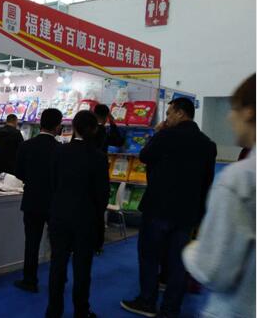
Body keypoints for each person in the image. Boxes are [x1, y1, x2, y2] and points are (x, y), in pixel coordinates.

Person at [121, 97, 217, 318]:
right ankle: (171, 308)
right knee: (178, 262)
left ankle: (147, 301)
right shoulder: (207, 144)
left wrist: (157, 133)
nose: (166, 118)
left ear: (181, 113)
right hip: (187, 213)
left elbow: (144, 156)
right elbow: (207, 182)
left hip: (158, 209)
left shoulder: (166, 136)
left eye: (169, 113)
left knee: (149, 257)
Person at [182, 74, 255, 318]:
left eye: (234, 108)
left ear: (248, 112)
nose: (229, 117)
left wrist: (193, 250)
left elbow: (214, 271)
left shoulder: (238, 179)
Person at [46, 110, 109, 318]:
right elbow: (102, 195)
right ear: (94, 129)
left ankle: (53, 311)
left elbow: (53, 184)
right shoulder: (98, 157)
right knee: (82, 268)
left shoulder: (59, 152)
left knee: (57, 265)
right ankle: (81, 311)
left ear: (73, 127)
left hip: (59, 216)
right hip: (86, 219)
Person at [14, 108, 63, 293]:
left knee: (31, 242)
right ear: (57, 126)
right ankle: (58, 281)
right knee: (57, 244)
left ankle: (29, 280)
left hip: (32, 199)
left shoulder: (26, 146)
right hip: (54, 202)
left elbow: (18, 172)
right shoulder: (60, 149)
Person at [92, 104, 125, 255]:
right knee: (99, 213)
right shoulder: (104, 132)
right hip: (100, 176)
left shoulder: (88, 130)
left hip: (86, 175)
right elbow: (119, 141)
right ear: (107, 116)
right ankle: (97, 245)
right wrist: (113, 122)